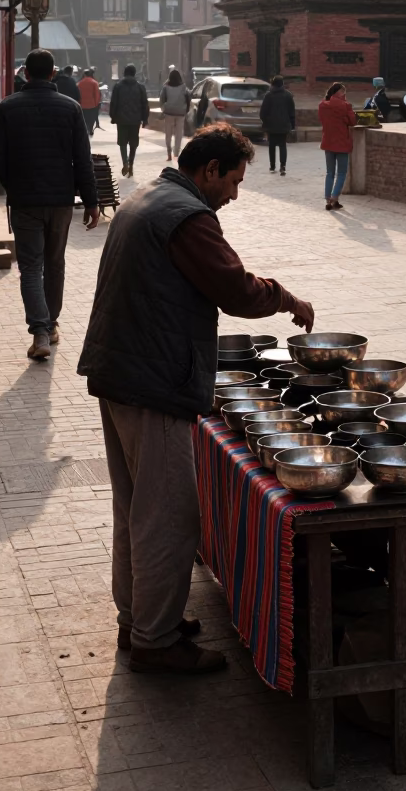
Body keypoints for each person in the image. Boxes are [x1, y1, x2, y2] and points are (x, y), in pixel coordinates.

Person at [78, 124, 314, 675]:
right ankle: (155, 642)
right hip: (152, 379)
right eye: (232, 181)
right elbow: (234, 289)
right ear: (209, 170)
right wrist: (286, 298)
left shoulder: (149, 197)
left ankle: (139, 618)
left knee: (136, 507)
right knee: (168, 516)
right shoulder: (187, 215)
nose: (233, 193)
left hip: (121, 369)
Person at [0, 48, 100, 360]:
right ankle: (49, 326)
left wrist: (14, 184)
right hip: (61, 201)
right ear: (53, 74)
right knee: (55, 264)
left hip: (25, 202)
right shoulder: (71, 108)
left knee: (31, 267)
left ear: (25, 73)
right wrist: (91, 202)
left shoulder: (8, 107)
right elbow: (83, 160)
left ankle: (40, 332)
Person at [318, 82, 356, 211]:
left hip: (328, 142)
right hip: (342, 143)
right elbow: (353, 121)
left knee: (330, 173)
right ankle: (335, 197)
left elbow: (323, 120)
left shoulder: (322, 105)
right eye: (343, 92)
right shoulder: (345, 106)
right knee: (341, 173)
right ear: (340, 93)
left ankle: (328, 200)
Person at [110, 63, 149, 178]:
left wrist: (113, 117)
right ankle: (131, 164)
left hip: (121, 120)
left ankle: (125, 163)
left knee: (122, 143)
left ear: (124, 73)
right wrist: (145, 119)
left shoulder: (118, 86)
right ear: (134, 73)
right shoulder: (140, 87)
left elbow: (113, 103)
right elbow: (145, 104)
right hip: (135, 120)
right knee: (133, 143)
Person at [259, 74, 295, 175]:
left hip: (271, 126)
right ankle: (283, 166)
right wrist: (292, 125)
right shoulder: (288, 95)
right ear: (282, 84)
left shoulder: (269, 95)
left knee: (272, 146)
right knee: (283, 145)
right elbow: (292, 112)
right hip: (284, 125)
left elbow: (263, 112)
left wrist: (265, 122)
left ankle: (272, 166)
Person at [159, 68, 191, 163]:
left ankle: (169, 153)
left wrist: (163, 108)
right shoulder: (184, 87)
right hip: (181, 113)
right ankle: (176, 153)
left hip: (169, 112)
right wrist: (186, 110)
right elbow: (188, 98)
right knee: (179, 133)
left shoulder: (165, 87)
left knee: (168, 134)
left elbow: (162, 99)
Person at [78, 69, 102, 136]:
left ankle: (85, 129)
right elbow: (96, 94)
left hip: (82, 104)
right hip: (92, 104)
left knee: (84, 118)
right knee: (91, 118)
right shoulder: (94, 83)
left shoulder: (80, 83)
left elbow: (78, 94)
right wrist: (96, 103)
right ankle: (90, 129)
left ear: (84, 75)